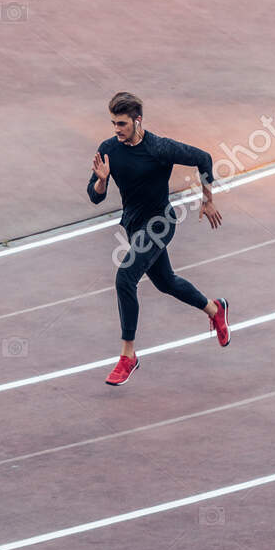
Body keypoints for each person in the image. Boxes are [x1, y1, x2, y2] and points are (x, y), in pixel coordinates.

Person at [86, 91, 229, 386]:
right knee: (166, 282)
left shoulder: (159, 148)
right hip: (134, 226)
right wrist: (101, 180)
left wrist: (208, 200)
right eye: (113, 123)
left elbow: (203, 158)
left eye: (122, 124)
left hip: (160, 224)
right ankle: (216, 309)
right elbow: (94, 198)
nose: (116, 129)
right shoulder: (109, 149)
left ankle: (128, 356)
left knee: (125, 278)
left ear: (138, 121)